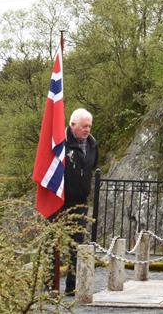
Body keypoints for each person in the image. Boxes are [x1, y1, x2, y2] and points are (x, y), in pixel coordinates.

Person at [58, 107, 99, 296]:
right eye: (84, 126)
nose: (87, 129)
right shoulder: (60, 142)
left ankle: (72, 286)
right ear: (72, 125)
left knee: (77, 244)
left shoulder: (92, 144)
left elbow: (91, 167)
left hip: (80, 201)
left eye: (89, 126)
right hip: (60, 199)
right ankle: (49, 284)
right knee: (54, 242)